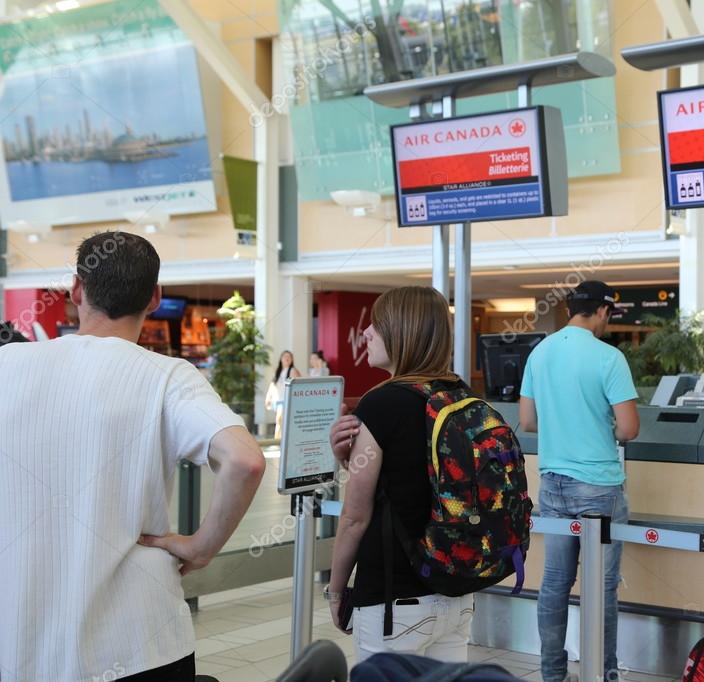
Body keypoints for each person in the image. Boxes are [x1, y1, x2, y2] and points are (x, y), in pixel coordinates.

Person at [0, 231, 266, 681]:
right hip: (139, 646)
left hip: (18, 645)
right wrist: (201, 547)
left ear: (77, 290)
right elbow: (245, 461)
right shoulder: (167, 377)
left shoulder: (8, 365)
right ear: (155, 298)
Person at [325, 286, 473, 663]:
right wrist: (349, 459)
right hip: (456, 596)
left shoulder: (383, 403)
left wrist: (337, 590)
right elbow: (415, 479)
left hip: (394, 601)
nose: (366, 332)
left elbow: (355, 517)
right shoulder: (458, 394)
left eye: (377, 324)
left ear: (403, 332)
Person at [519, 280, 641, 682]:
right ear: (603, 311)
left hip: (552, 482)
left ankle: (552, 674)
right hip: (598, 486)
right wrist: (599, 426)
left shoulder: (540, 352)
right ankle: (602, 674)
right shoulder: (609, 357)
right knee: (601, 588)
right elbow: (629, 429)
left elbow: (528, 422)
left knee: (554, 581)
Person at [266, 350, 302, 439]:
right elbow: (272, 385)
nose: (287, 358)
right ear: (281, 359)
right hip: (278, 400)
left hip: (288, 401)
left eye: (289, 357)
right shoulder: (278, 371)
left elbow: (298, 386)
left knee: (280, 420)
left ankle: (278, 441)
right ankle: (278, 441)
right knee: (280, 421)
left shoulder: (293, 371)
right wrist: (268, 398)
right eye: (285, 356)